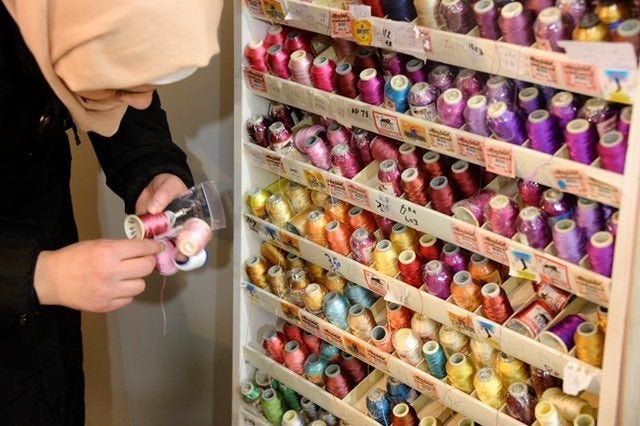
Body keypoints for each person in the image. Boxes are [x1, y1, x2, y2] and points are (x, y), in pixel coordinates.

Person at [0, 0, 223, 424]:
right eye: (125, 86)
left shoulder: (63, 15)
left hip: (43, 251)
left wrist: (151, 168)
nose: (140, 100)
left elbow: (112, 67)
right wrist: (36, 276)